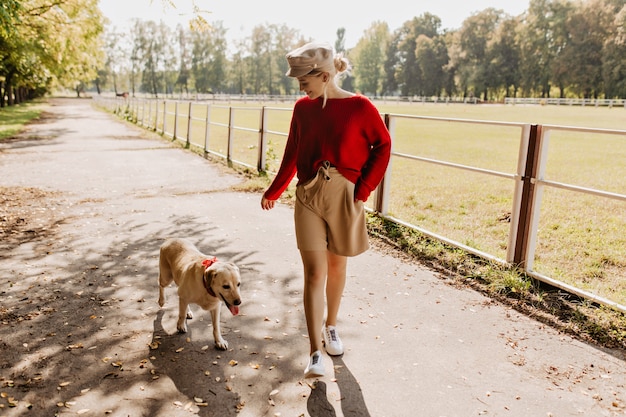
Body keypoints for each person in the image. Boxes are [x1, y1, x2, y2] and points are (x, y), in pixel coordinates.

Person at [260, 41, 391, 378]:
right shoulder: (302, 110)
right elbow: (292, 152)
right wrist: (275, 189)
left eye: (305, 81)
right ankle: (314, 350)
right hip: (307, 196)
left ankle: (332, 325)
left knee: (335, 267)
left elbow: (383, 145)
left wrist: (363, 190)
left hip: (346, 197)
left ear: (324, 75)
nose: (301, 88)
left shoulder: (360, 107)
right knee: (314, 273)